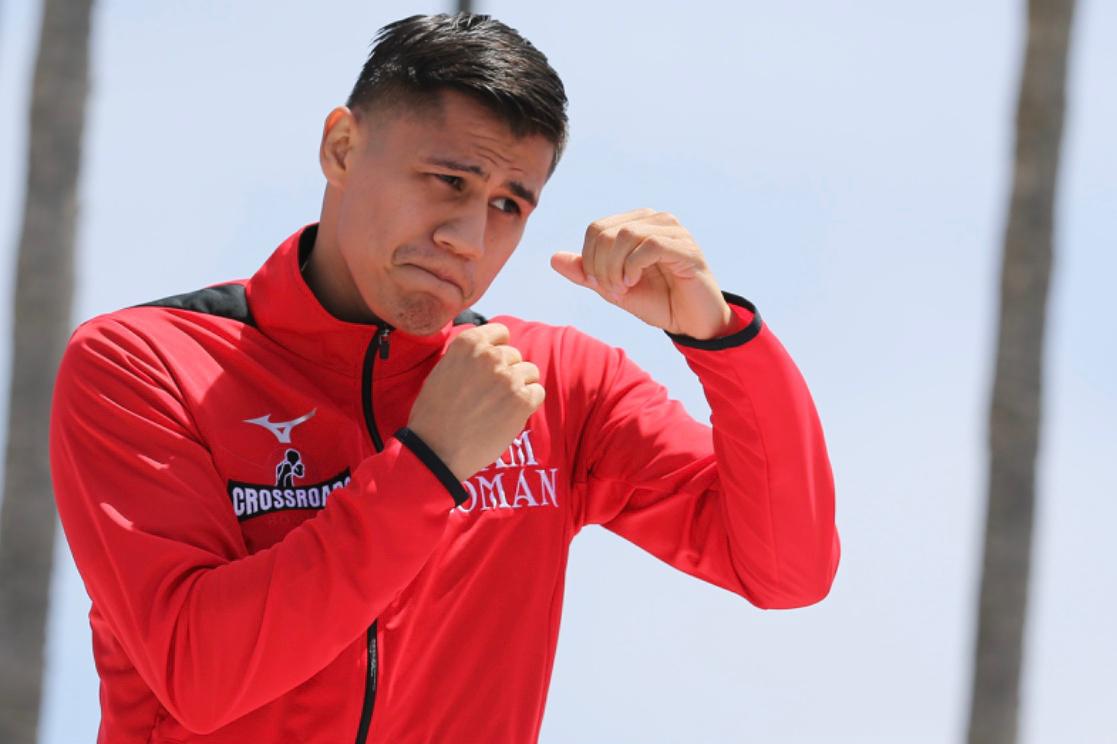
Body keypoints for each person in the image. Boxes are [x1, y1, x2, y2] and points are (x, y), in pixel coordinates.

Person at [49, 12, 840, 744]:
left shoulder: (552, 384)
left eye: (508, 205)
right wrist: (428, 463)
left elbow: (784, 571)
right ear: (342, 148)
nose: (468, 236)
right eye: (449, 181)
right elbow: (201, 673)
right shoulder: (143, 362)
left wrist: (719, 338)